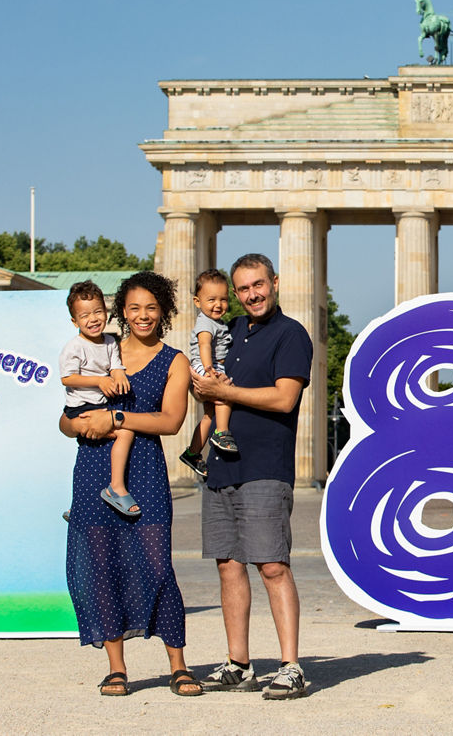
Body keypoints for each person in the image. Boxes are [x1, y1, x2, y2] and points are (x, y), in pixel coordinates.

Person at [58, 271, 202, 698]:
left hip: (145, 471)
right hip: (93, 467)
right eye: (134, 307)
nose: (142, 315)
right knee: (101, 567)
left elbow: (171, 422)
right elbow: (64, 418)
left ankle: (178, 665)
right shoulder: (102, 346)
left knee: (158, 567)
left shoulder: (174, 360)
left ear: (163, 311)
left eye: (151, 308)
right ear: (121, 310)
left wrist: (116, 417)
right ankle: (116, 668)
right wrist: (77, 425)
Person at [192, 253, 312, 699]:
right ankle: (239, 663)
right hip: (222, 464)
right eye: (242, 289)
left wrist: (226, 391)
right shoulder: (228, 331)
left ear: (274, 282)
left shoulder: (291, 334)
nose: (251, 295)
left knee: (273, 565)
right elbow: (207, 381)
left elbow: (284, 399)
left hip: (265, 465)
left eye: (258, 285)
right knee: (228, 564)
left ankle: (290, 665)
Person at [59, 281, 138, 515]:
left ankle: (81, 505)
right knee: (124, 432)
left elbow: (115, 365)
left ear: (106, 312)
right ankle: (115, 488)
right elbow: (67, 378)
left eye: (97, 312)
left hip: (101, 405)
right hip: (81, 407)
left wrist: (118, 373)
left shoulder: (110, 342)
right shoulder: (74, 347)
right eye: (85, 316)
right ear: (75, 322)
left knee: (99, 450)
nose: (93, 319)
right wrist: (100, 381)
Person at [179, 269, 236, 480]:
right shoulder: (205, 322)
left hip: (207, 365)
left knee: (208, 416)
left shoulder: (216, 322)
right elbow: (204, 344)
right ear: (197, 301)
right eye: (211, 300)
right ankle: (221, 433)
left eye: (223, 299)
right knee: (225, 395)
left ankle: (192, 453)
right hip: (207, 366)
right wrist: (209, 368)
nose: (218, 305)